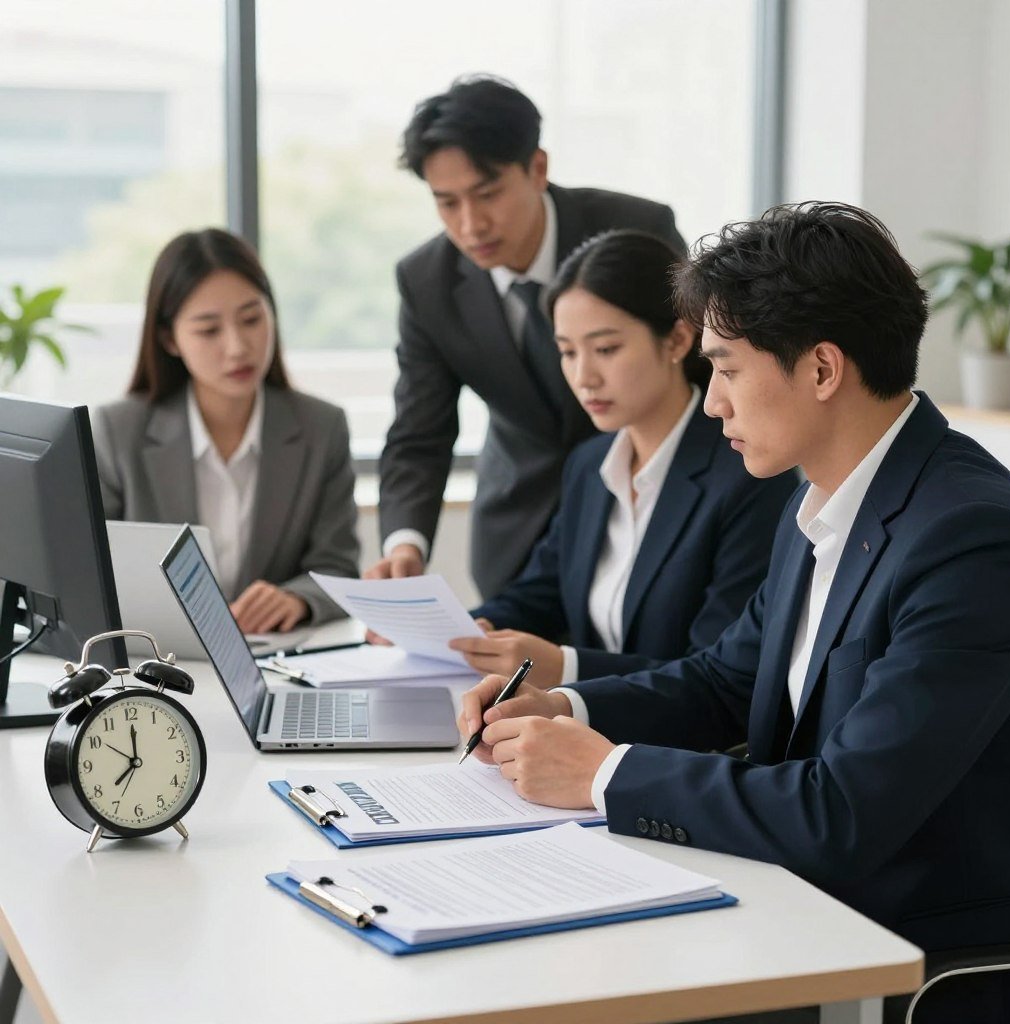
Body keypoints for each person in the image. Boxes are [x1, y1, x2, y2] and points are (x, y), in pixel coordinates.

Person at [459, 203, 1010, 1023]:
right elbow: (726, 680)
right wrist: (565, 706)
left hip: (902, 955)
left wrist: (601, 772)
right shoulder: (824, 500)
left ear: (822, 369)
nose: (714, 403)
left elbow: (843, 810)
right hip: (789, 904)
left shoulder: (969, 537)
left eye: (726, 368)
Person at [368, 74, 687, 600]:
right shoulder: (426, 280)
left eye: (487, 193)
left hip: (653, 511)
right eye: (447, 203)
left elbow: (697, 365)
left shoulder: (637, 231)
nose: (471, 224)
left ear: (537, 168)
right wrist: (405, 543)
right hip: (517, 528)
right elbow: (419, 431)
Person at [448, 230, 798, 688]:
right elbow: (541, 592)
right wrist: (464, 631)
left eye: (606, 349)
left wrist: (567, 668)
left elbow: (720, 671)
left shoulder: (747, 474)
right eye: (568, 351)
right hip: (586, 727)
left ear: (675, 341)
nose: (583, 376)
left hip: (683, 746)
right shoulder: (590, 464)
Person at [93, 228, 360, 634]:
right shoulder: (118, 431)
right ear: (169, 338)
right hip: (159, 663)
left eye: (252, 319)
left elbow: (337, 567)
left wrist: (298, 599)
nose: (237, 347)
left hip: (274, 659)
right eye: (209, 330)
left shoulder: (322, 428)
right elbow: (89, 574)